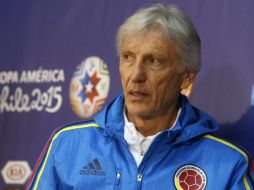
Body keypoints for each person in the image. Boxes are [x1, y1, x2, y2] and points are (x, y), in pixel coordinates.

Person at [26, 4, 254, 190]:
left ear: (185, 78)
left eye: (154, 60)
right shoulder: (67, 145)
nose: (136, 75)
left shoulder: (228, 164)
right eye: (128, 57)